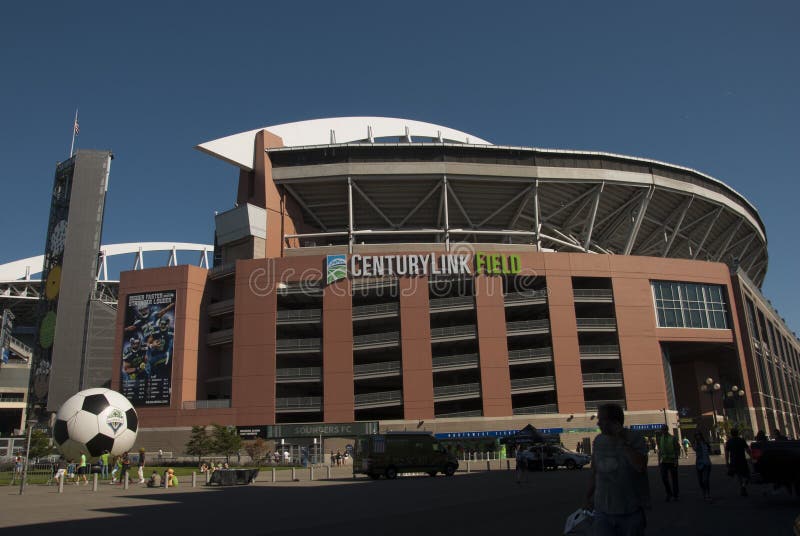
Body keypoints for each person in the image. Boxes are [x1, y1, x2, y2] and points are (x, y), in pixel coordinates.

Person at [585, 403, 649, 536]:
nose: (598, 424)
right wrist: (587, 497)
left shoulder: (635, 438)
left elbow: (640, 466)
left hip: (630, 511)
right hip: (602, 511)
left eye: (601, 420)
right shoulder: (598, 441)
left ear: (614, 422)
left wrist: (622, 440)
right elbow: (595, 472)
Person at [725, 428, 751, 497]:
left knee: (739, 475)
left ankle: (742, 486)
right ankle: (743, 486)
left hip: (734, 461)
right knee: (747, 475)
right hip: (742, 460)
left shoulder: (729, 441)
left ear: (731, 433)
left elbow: (727, 453)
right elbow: (747, 449)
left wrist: (727, 462)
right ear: (737, 433)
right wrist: (752, 457)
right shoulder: (741, 440)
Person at [657, 425, 680, 501]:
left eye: (664, 429)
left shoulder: (673, 438)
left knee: (674, 479)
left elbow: (677, 449)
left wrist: (676, 460)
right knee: (664, 478)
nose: (663, 431)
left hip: (672, 461)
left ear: (667, 430)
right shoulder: (660, 439)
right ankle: (669, 493)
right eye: (662, 430)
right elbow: (660, 451)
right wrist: (659, 461)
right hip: (664, 461)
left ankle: (675, 494)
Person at [693, 431, 713, 501]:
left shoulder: (705, 443)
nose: (698, 437)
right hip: (699, 464)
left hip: (706, 464)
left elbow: (710, 451)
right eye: (696, 436)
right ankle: (704, 492)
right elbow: (694, 448)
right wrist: (696, 442)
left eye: (699, 435)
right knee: (700, 481)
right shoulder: (696, 444)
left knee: (705, 480)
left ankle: (707, 493)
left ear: (701, 436)